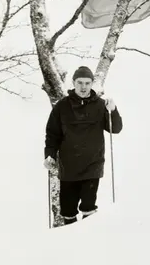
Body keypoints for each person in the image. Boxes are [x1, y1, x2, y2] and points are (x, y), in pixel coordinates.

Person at [43, 66, 123, 225]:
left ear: (92, 83)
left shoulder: (100, 105)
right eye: (80, 82)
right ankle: (70, 238)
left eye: (87, 83)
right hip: (68, 166)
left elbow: (116, 129)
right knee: (68, 211)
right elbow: (52, 135)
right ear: (73, 83)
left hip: (92, 165)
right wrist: (49, 155)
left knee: (88, 208)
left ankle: (89, 238)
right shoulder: (62, 106)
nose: (83, 87)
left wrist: (113, 111)